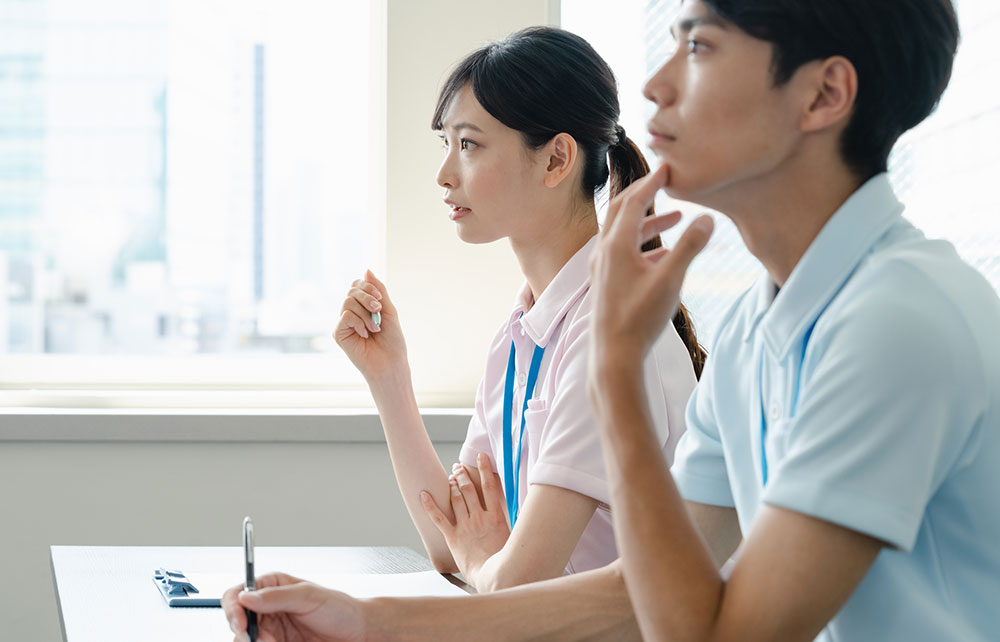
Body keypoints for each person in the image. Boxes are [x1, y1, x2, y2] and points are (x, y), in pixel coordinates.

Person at [224, 1, 1000, 641]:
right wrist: (365, 621)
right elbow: (637, 592)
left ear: (824, 95)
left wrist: (617, 371)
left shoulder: (897, 323)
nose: (657, 87)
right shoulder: (753, 334)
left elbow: (717, 632)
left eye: (699, 47)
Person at [330, 27, 701, 593]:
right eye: (446, 143)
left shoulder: (607, 330)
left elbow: (510, 582)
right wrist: (389, 377)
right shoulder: (522, 332)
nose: (444, 174)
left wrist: (483, 561)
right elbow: (451, 544)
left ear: (556, 159)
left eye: (469, 145)